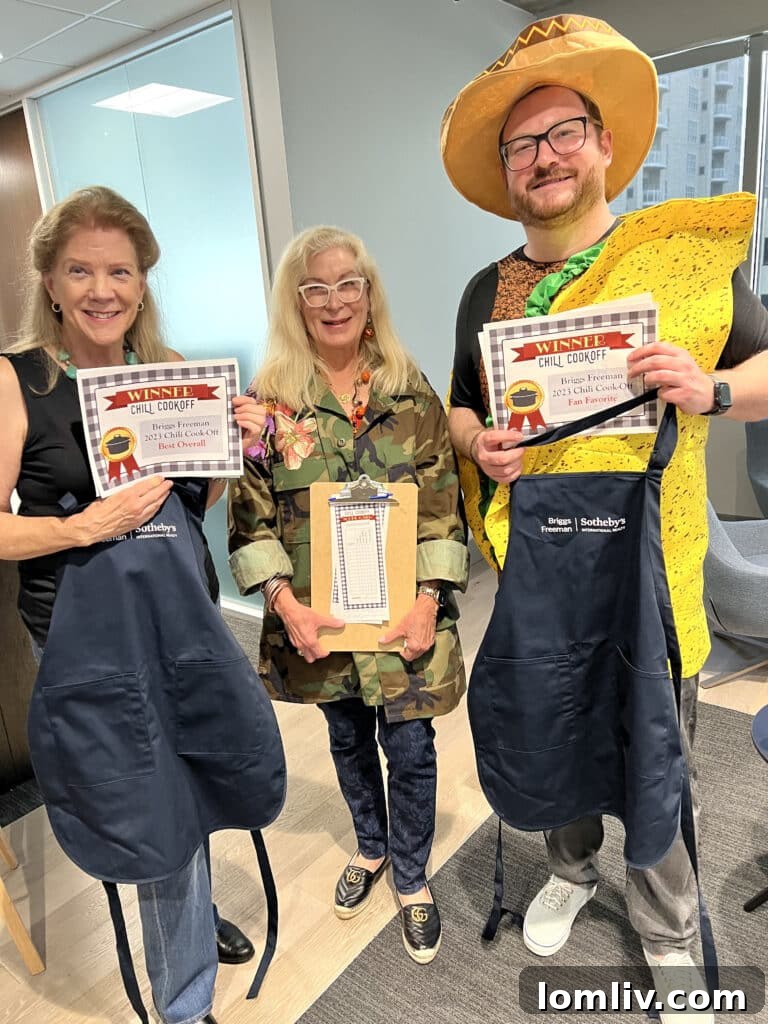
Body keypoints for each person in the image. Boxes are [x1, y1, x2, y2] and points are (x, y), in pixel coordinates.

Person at [441, 14, 768, 1022]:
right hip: (540, 571)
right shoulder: (486, 292)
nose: (543, 157)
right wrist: (475, 442)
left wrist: (709, 390)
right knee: (554, 732)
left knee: (654, 752)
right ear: (506, 170)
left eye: (562, 133)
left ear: (606, 145)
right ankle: (572, 868)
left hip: (654, 573)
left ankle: (668, 930)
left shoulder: (682, 264)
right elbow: (460, 402)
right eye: (522, 144)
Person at [0, 186, 282, 1024]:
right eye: (79, 270)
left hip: (183, 619)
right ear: (49, 281)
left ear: (142, 282)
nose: (101, 289)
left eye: (119, 271)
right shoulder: (18, 381)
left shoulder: (167, 379)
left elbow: (191, 510)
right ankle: (187, 1001)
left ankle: (188, 920)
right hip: (87, 642)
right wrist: (84, 524)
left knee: (192, 767)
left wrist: (235, 446)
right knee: (141, 792)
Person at [228, 225, 468, 964]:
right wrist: (285, 605)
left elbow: (441, 501)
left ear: (370, 294)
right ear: (295, 303)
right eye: (316, 288)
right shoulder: (268, 402)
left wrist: (429, 599)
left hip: (402, 616)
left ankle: (411, 873)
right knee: (346, 741)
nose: (335, 302)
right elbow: (250, 515)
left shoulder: (407, 385)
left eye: (348, 284)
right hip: (320, 622)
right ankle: (370, 848)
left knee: (412, 745)